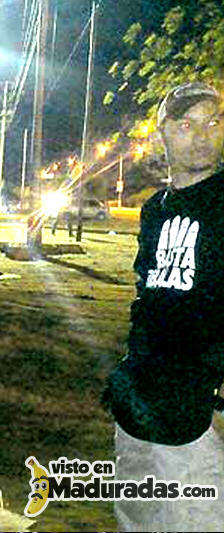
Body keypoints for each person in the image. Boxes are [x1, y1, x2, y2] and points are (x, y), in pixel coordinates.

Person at [102, 82, 224, 531]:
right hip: (141, 405)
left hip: (199, 416)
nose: (202, 135)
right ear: (162, 135)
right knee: (139, 519)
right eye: (187, 124)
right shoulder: (156, 210)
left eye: (214, 121)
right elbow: (148, 297)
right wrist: (125, 379)